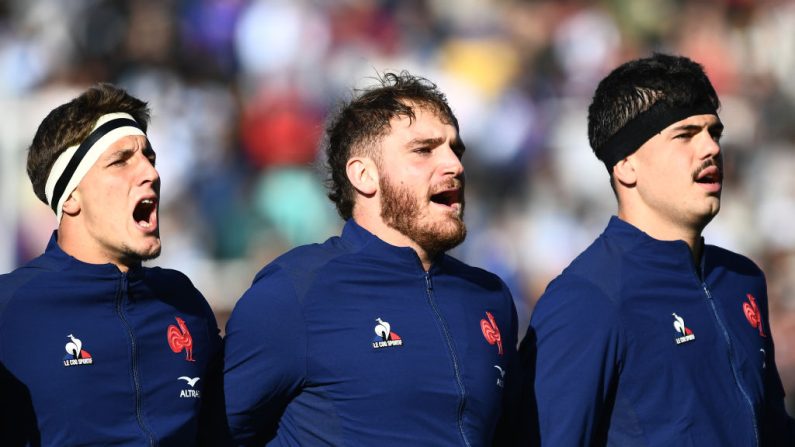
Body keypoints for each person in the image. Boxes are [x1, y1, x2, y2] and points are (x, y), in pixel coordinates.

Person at [223, 72, 518, 445]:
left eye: (455, 150)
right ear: (364, 175)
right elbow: (219, 433)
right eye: (424, 150)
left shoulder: (489, 297)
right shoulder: (293, 293)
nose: (454, 166)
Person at [520, 53, 795, 446]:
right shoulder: (586, 299)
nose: (711, 149)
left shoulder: (742, 279)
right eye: (684, 135)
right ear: (626, 166)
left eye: (713, 132)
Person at [0, 83, 225, 446]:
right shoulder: (10, 309)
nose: (150, 173)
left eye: (149, 157)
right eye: (121, 160)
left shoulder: (183, 301)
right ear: (71, 196)